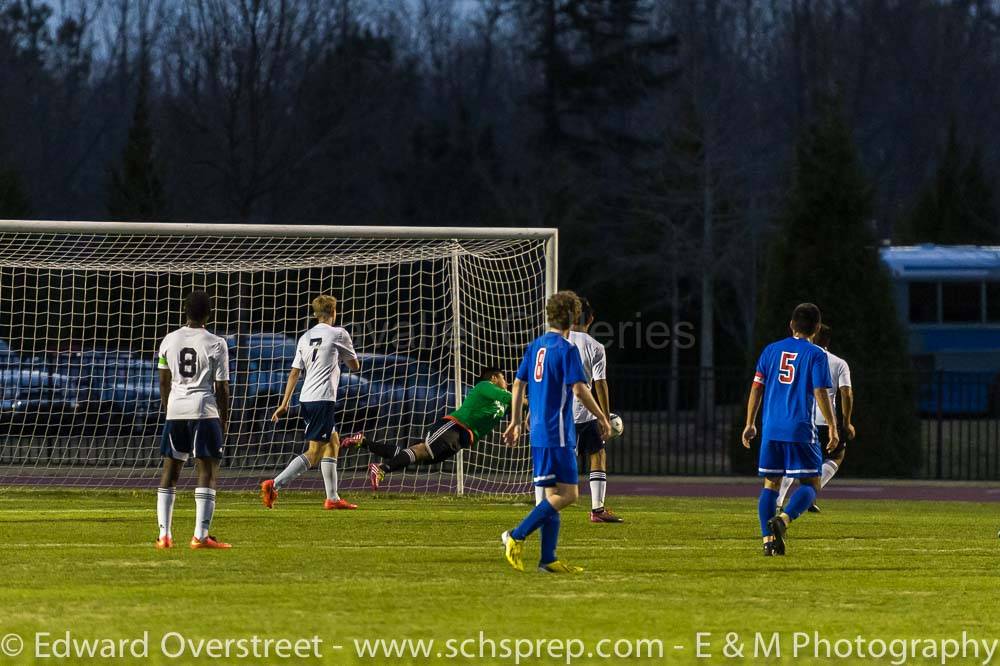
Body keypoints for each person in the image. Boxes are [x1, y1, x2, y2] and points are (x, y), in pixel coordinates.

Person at [501, 290, 611, 574]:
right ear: (574, 317)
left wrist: (515, 420)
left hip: (537, 430)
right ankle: (516, 534)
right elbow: (579, 388)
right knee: (569, 495)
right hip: (558, 432)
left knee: (552, 495)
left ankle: (547, 559)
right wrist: (602, 416)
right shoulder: (566, 349)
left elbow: (517, 384)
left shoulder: (536, 346)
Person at [742, 303, 838, 556]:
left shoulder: (770, 350)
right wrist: (832, 424)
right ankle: (783, 520)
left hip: (771, 428)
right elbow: (819, 391)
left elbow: (756, 388)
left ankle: (767, 540)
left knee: (770, 484)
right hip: (799, 428)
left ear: (791, 325)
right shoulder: (816, 354)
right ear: (816, 329)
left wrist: (750, 423)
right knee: (811, 483)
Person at [260, 295, 361, 510]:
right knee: (315, 452)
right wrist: (341, 356)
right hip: (322, 398)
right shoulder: (339, 334)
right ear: (334, 312)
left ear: (316, 315)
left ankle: (332, 499)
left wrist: (285, 403)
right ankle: (274, 484)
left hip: (306, 398)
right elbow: (355, 367)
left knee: (333, 443)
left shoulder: (305, 337)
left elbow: (294, 373)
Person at [343, 368, 512, 490]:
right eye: (504, 378)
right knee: (424, 451)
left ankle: (364, 442)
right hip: (454, 427)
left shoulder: (503, 403)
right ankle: (381, 469)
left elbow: (518, 404)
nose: (507, 382)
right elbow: (512, 398)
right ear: (494, 378)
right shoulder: (485, 386)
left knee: (413, 454)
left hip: (463, 437)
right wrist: (534, 399)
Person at [155, 290, 232, 549]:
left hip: (176, 410)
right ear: (209, 314)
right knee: (207, 471)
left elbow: (163, 380)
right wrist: (224, 419)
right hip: (204, 410)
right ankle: (200, 535)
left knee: (170, 471)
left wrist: (169, 409)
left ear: (185, 312)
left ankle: (164, 535)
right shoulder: (216, 343)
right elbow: (222, 387)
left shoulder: (169, 339)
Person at [775, 324, 854, 512]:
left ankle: (779, 499)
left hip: (799, 418)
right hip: (825, 421)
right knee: (836, 456)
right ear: (828, 341)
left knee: (795, 459)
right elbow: (847, 393)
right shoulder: (838, 362)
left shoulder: (800, 358)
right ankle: (808, 496)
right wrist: (847, 421)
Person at [567, 297, 622, 522]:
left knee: (559, 459)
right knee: (597, 455)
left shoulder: (554, 342)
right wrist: (605, 417)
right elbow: (600, 383)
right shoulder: (595, 347)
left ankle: (547, 503)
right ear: (590, 319)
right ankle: (597, 510)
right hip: (585, 411)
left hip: (558, 413)